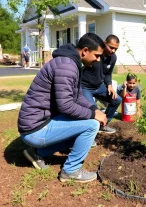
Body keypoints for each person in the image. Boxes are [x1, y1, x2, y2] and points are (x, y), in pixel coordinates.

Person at [18, 33, 107, 183]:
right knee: (91, 125)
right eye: (97, 55)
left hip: (37, 123)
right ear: (85, 51)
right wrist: (93, 116)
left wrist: (94, 109)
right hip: (34, 129)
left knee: (85, 123)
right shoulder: (67, 66)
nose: (98, 60)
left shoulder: (70, 62)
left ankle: (37, 153)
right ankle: (71, 171)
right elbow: (65, 105)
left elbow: (77, 95)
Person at [82, 34, 122, 134]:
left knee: (117, 100)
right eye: (111, 47)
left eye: (115, 49)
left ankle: (104, 125)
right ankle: (88, 135)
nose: (113, 51)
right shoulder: (94, 53)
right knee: (93, 109)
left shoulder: (113, 58)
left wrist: (109, 85)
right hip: (85, 87)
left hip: (99, 87)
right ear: (104, 43)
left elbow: (108, 73)